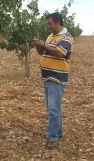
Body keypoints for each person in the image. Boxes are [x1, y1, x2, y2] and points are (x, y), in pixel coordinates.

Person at [33, 12, 73, 149]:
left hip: (57, 78)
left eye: (50, 23)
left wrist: (43, 44)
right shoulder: (50, 36)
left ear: (57, 23)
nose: (48, 26)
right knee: (53, 108)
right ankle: (58, 132)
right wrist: (39, 45)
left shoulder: (67, 37)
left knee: (53, 110)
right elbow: (43, 52)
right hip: (48, 76)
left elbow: (58, 52)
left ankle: (53, 137)